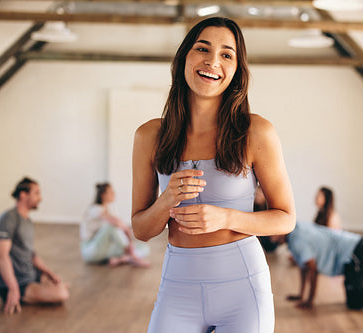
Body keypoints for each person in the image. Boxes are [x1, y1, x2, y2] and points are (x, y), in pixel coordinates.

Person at [131, 17, 295, 333]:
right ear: (184, 58)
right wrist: (166, 201)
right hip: (178, 285)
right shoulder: (149, 136)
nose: (212, 61)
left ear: (235, 70)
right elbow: (140, 228)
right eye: (202, 48)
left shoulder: (256, 132)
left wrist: (225, 218)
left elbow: (286, 218)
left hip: (243, 288)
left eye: (226, 54)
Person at [271, 222, 363, 316]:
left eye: (271, 234)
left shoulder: (297, 240)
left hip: (354, 253)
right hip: (359, 247)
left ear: (279, 232)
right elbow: (303, 267)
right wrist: (300, 295)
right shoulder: (294, 229)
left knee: (354, 301)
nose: (271, 237)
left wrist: (310, 301)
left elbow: (312, 270)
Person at [0, 177, 70, 314]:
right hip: (18, 282)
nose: (40, 198)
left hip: (30, 275)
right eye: (36, 193)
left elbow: (31, 254)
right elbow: (1, 256)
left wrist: (49, 272)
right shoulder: (9, 218)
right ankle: (23, 295)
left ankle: (46, 286)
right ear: (23, 195)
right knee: (62, 294)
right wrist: (13, 288)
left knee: (58, 282)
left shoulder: (28, 221)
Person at [80, 183, 150, 267]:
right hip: (91, 250)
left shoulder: (109, 209)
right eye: (110, 192)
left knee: (144, 248)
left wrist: (127, 237)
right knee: (110, 227)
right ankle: (133, 257)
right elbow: (114, 221)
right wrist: (126, 230)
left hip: (105, 248)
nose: (114, 194)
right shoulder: (94, 209)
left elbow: (118, 223)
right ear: (103, 195)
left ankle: (123, 259)